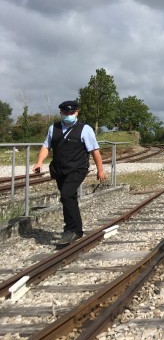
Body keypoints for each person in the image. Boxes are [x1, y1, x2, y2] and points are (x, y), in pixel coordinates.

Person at [33, 100, 107, 244]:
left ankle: (70, 230)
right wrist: (39, 162)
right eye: (65, 112)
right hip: (60, 169)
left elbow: (95, 151)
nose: (68, 115)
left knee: (66, 195)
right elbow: (46, 146)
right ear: (61, 113)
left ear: (76, 112)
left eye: (71, 112)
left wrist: (100, 170)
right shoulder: (53, 128)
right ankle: (77, 230)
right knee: (68, 197)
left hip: (78, 168)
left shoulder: (85, 129)